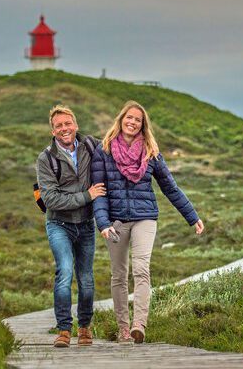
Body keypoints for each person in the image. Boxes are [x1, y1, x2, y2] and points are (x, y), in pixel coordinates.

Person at [91, 100, 205, 344]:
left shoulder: (151, 151)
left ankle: (138, 325)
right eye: (129, 118)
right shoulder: (104, 150)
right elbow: (98, 191)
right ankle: (123, 328)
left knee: (141, 269)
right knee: (119, 275)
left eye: (138, 120)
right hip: (115, 221)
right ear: (121, 120)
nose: (132, 122)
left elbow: (170, 188)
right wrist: (103, 223)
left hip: (145, 218)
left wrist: (192, 216)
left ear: (143, 125)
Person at [36, 105, 106, 348]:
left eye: (68, 124)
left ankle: (84, 327)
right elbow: (51, 200)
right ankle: (64, 330)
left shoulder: (91, 145)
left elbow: (116, 148)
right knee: (64, 272)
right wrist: (87, 196)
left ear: (75, 125)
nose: (64, 128)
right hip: (59, 224)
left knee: (86, 279)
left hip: (86, 224)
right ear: (53, 131)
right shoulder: (46, 159)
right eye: (59, 126)